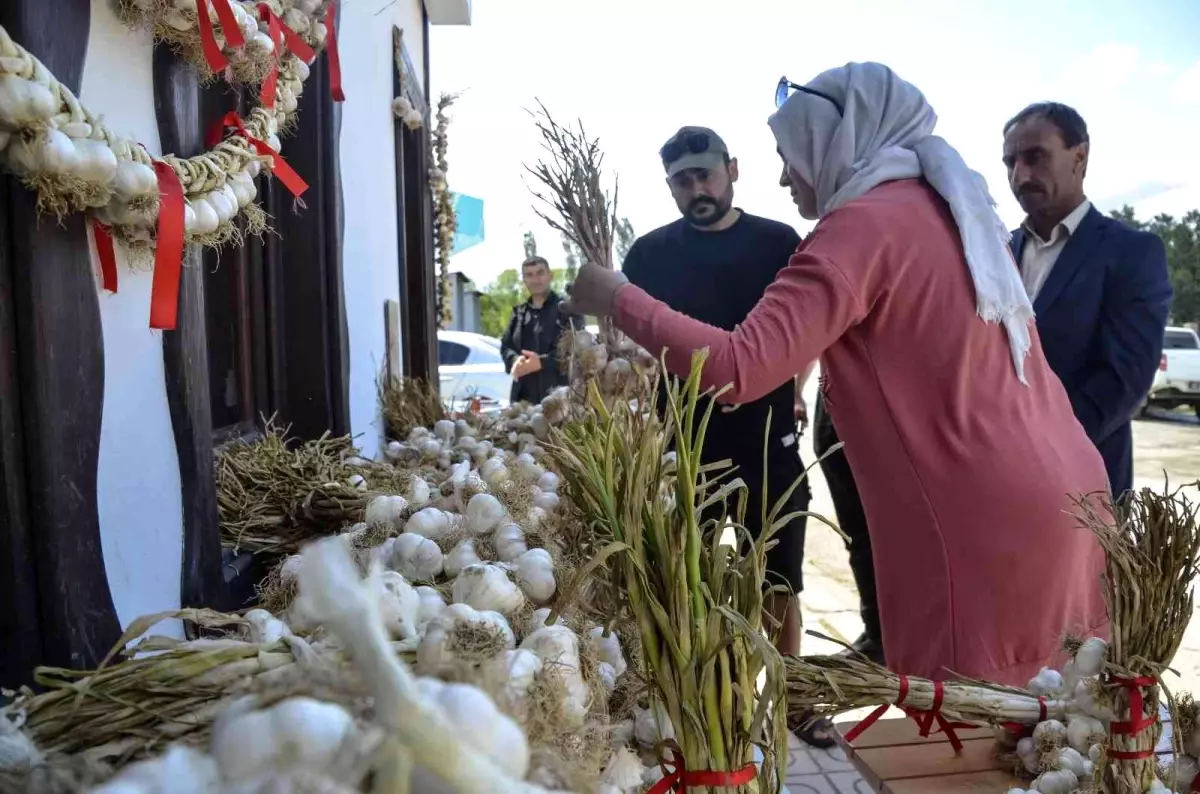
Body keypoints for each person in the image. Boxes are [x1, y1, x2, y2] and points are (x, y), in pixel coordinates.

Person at [563, 62, 1110, 687]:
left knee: (962, 742)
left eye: (788, 155)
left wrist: (617, 298)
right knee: (1053, 732)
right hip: (1069, 496)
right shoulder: (949, 211)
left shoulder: (862, 227)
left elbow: (741, 367)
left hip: (981, 526)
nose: (783, 175)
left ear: (833, 142)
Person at [620, 125, 820, 739]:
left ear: (732, 169)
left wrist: (793, 387)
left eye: (705, 174)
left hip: (767, 441)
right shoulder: (648, 256)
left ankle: (791, 699)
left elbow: (805, 326)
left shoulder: (779, 242)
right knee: (695, 579)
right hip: (686, 444)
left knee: (780, 579)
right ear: (670, 187)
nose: (696, 188)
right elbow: (626, 352)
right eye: (683, 180)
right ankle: (717, 701)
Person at [1003, 102, 1172, 500]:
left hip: (1082, 488)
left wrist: (1036, 449)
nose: (1020, 175)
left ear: (1080, 156)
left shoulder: (1132, 252)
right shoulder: (996, 252)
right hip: (993, 484)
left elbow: (1124, 380)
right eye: (1010, 162)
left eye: (1035, 157)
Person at [811, 391, 883, 666]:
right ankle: (877, 633)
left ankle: (887, 637)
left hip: (873, 398)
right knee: (859, 535)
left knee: (890, 535)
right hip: (833, 397)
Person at [500, 256, 583, 405]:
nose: (535, 279)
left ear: (550, 276)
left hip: (560, 400)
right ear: (524, 280)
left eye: (540, 273)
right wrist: (514, 360)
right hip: (523, 403)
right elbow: (506, 347)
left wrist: (542, 362)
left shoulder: (568, 310)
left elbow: (577, 349)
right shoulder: (519, 314)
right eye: (529, 275)